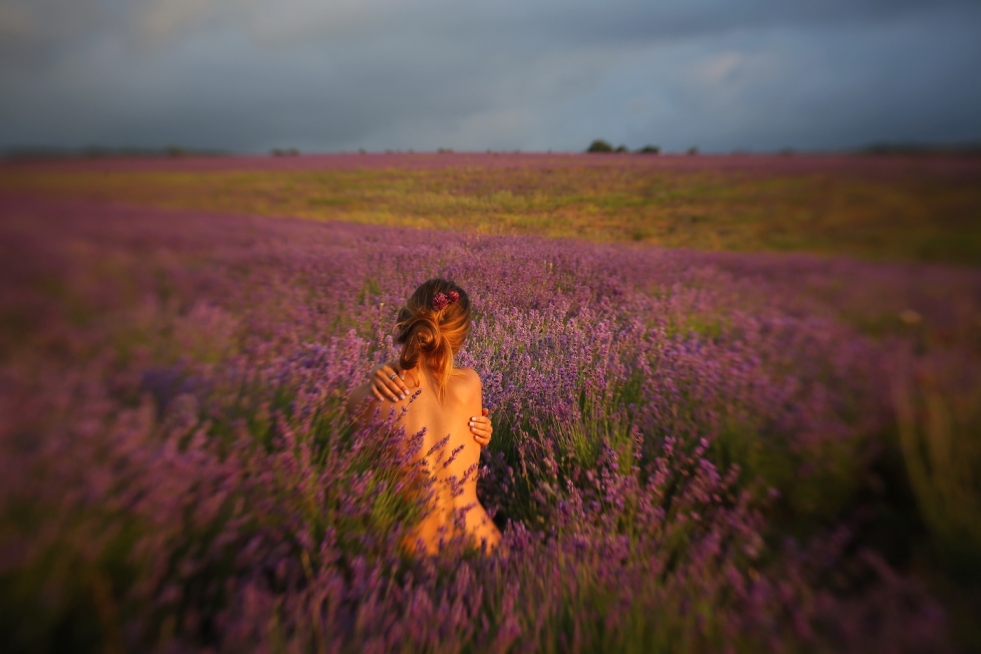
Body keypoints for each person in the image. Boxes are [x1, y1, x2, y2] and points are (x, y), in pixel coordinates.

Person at [347, 279, 501, 554]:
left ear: (407, 321)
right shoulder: (471, 384)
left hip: (416, 549)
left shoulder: (362, 399)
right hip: (482, 540)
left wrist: (382, 370)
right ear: (461, 337)